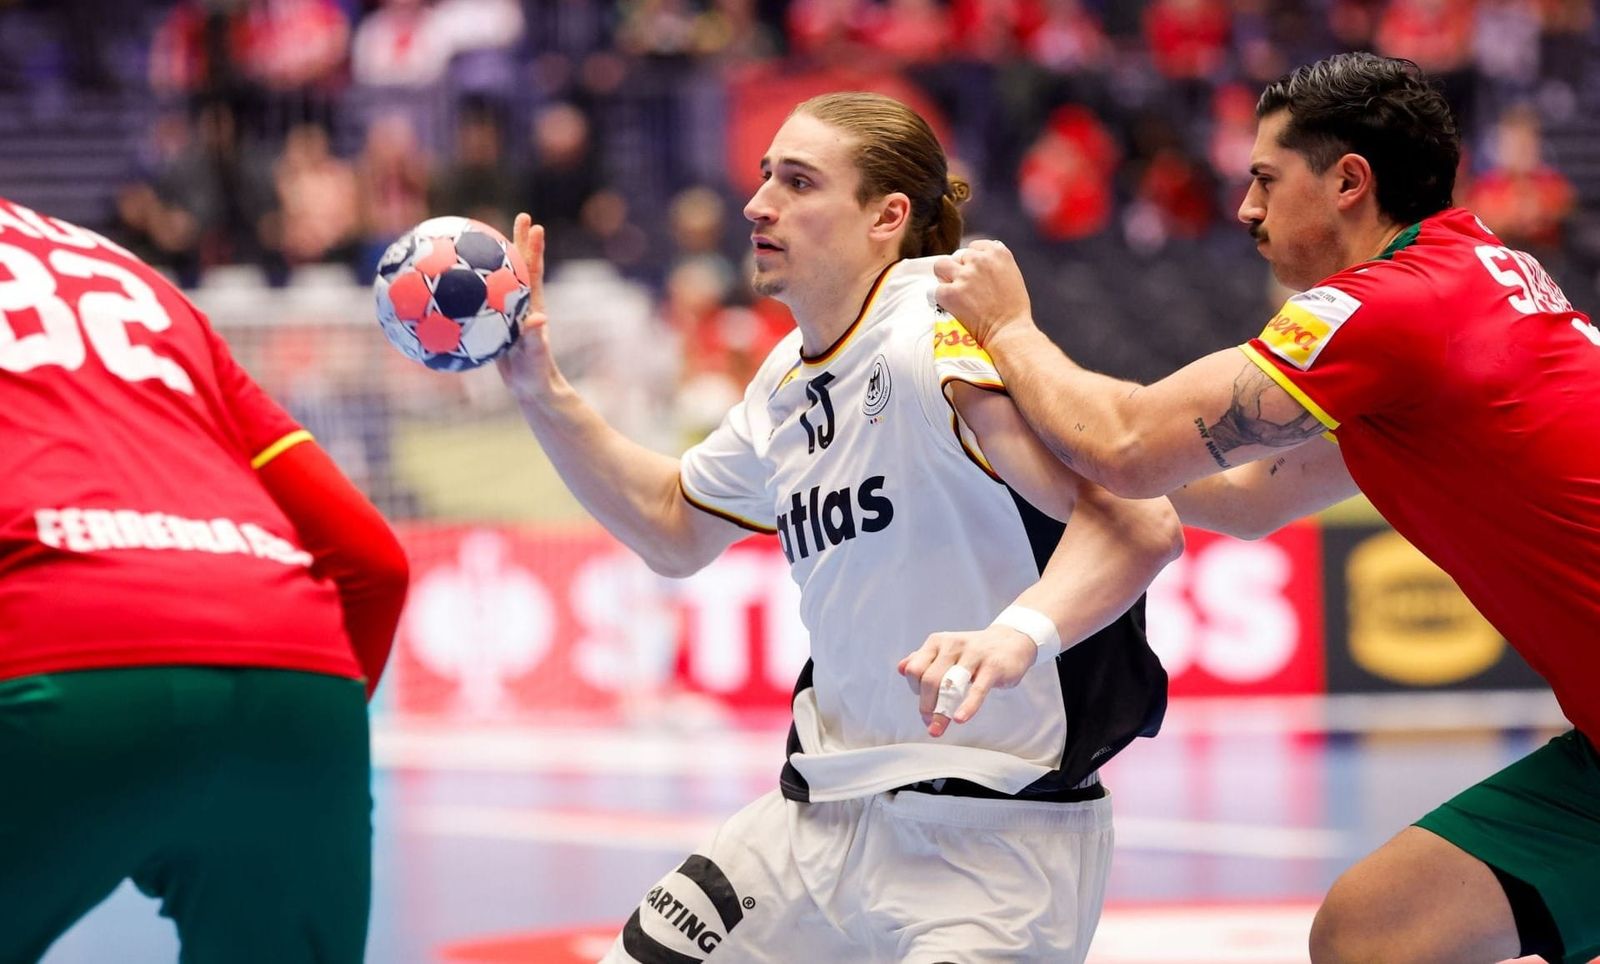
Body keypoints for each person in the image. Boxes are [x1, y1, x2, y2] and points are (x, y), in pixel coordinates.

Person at [926, 52, 1600, 964]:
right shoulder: (1465, 282)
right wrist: (989, 408)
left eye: (1266, 180)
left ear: (1349, 183)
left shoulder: (1391, 306)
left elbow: (1128, 443)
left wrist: (1006, 329)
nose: (1245, 208)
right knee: (1374, 935)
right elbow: (1244, 499)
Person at [496, 91, 1184, 962]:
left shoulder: (939, 338)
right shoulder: (786, 379)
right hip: (814, 824)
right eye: (763, 177)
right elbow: (672, 526)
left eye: (797, 182)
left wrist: (1015, 636)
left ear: (886, 217)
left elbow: (1139, 523)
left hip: (992, 845)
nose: (758, 204)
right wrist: (541, 389)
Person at [0, 196, 410, 962]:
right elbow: (371, 561)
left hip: (59, 657)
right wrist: (272, 752)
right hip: (298, 682)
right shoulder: (122, 273)